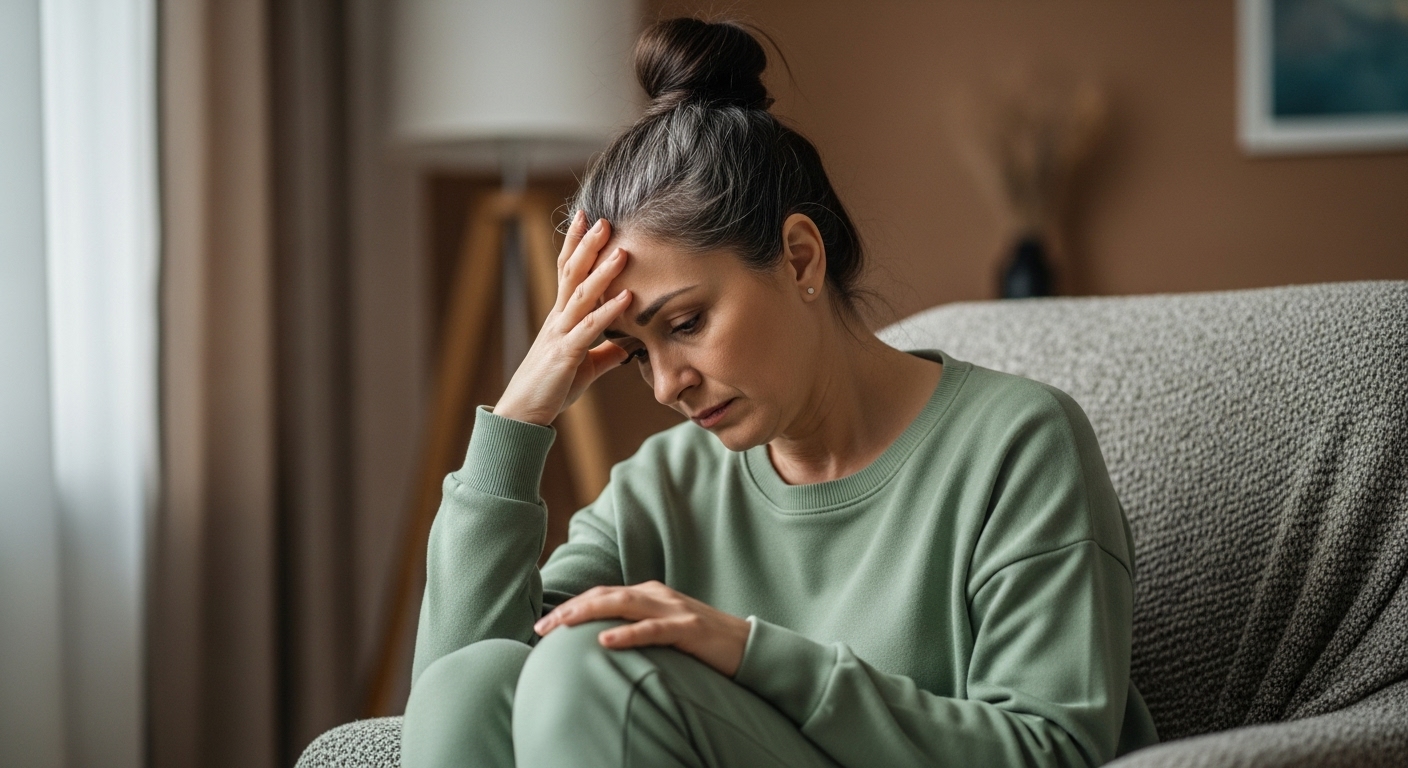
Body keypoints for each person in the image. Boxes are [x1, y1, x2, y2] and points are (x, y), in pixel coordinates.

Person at [400, 17, 1158, 768]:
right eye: (636, 353)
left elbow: (1053, 750)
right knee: (471, 684)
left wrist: (750, 655)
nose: (667, 385)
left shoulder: (1017, 446)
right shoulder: (665, 488)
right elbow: (456, 693)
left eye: (688, 322)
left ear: (800, 259)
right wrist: (518, 417)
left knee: (583, 670)